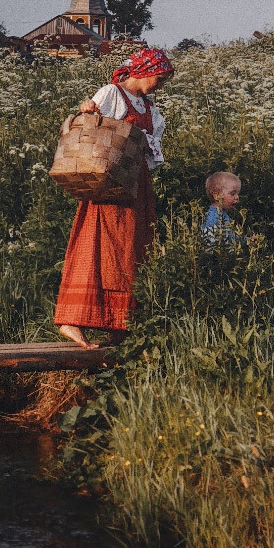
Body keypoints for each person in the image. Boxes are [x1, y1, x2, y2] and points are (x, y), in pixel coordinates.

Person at [54, 47, 173, 348]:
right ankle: (73, 320)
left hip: (135, 185)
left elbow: (154, 146)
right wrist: (87, 110)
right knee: (97, 244)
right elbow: (89, 127)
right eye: (159, 79)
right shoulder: (112, 93)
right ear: (143, 72)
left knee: (130, 248)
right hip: (107, 182)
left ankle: (120, 325)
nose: (160, 85)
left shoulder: (149, 107)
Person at [203, 171, 242, 248]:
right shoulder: (212, 219)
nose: (237, 197)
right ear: (216, 196)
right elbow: (210, 247)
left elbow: (231, 239)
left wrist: (247, 241)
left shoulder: (223, 215)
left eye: (237, 194)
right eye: (232, 194)